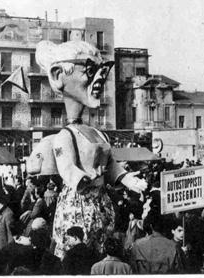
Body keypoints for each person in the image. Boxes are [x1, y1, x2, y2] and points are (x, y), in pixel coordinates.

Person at [34, 40, 147, 259]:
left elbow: (111, 164)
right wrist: (85, 178)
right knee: (79, 254)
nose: (99, 80)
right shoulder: (65, 136)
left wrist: (127, 179)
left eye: (102, 72)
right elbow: (67, 168)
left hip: (101, 206)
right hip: (78, 207)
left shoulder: (98, 133)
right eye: (90, 70)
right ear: (58, 75)